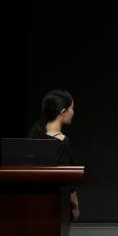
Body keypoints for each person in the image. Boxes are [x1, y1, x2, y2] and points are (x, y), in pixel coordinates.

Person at [28, 89, 80, 220]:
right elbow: (68, 180)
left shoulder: (34, 138)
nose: (73, 112)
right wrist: (76, 207)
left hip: (33, 206)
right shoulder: (62, 142)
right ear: (63, 111)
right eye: (72, 108)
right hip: (55, 209)